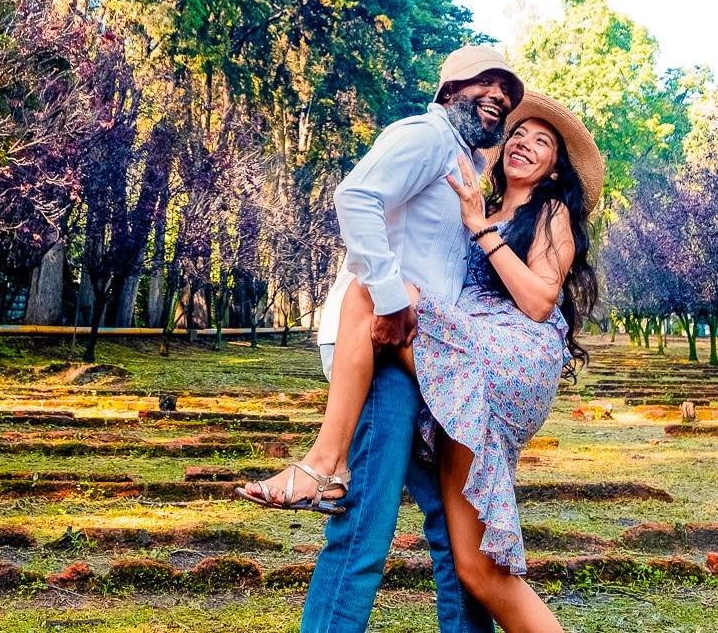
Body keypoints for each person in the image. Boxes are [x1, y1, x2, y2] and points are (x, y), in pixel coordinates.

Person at [245, 83, 602, 633]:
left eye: (543, 143)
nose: (525, 144)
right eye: (519, 135)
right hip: (473, 360)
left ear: (555, 169)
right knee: (478, 567)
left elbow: (537, 301)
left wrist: (480, 227)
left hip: (511, 355)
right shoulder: (476, 193)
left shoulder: (548, 211)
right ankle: (329, 463)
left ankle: (325, 462)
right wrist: (474, 215)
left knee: (372, 291)